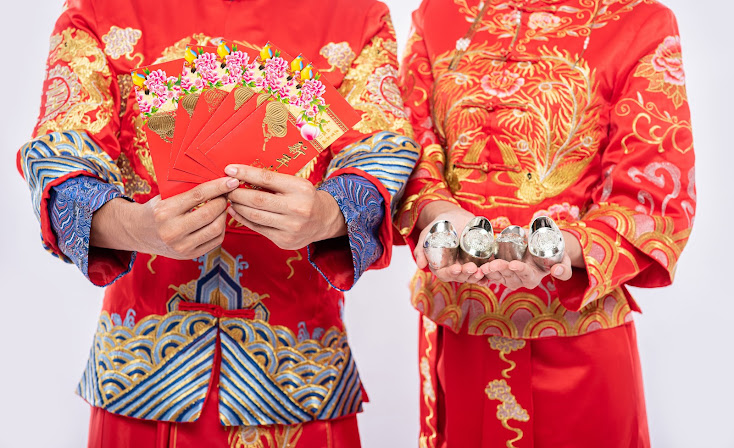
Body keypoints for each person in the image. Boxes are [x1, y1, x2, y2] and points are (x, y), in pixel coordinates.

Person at [17, 0, 418, 446]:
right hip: (142, 367)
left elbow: (383, 149)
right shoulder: (100, 9)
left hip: (299, 369)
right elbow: (60, 154)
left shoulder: (355, 15)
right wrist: (133, 225)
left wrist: (328, 213)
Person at [397, 0, 695, 446]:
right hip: (456, 335)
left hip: (577, 346)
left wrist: (557, 247)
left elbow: (653, 195)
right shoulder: (439, 14)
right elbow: (404, 144)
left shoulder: (638, 21)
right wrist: (440, 214)